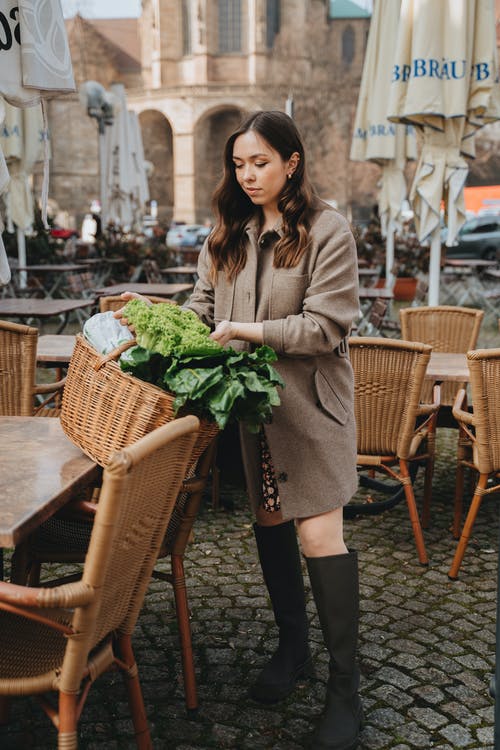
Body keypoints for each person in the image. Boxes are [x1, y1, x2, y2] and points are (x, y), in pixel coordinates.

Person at [117, 110, 361, 750]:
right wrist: (153, 320)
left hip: (312, 409)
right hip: (252, 413)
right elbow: (201, 309)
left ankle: (346, 691)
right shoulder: (228, 233)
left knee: (318, 534)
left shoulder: (326, 231)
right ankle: (293, 647)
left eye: (260, 162)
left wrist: (247, 330)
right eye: (239, 164)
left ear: (291, 162)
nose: (248, 175)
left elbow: (327, 327)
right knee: (272, 521)